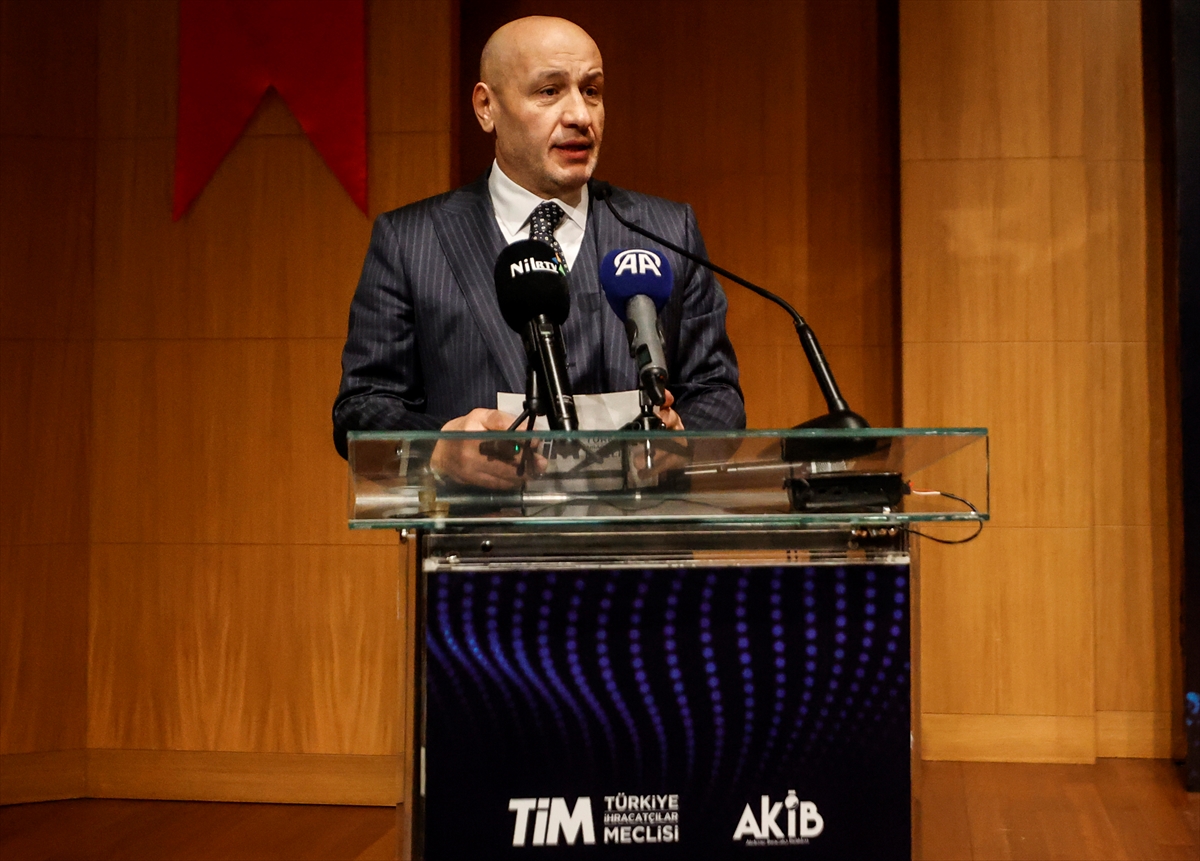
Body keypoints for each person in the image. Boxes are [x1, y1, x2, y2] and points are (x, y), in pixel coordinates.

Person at [333, 16, 744, 484]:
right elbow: (361, 410)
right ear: (486, 107)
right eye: (549, 91)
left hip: (639, 525)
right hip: (478, 528)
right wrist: (439, 449)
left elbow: (718, 394)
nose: (580, 116)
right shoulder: (410, 241)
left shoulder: (666, 232)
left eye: (592, 91)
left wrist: (685, 440)